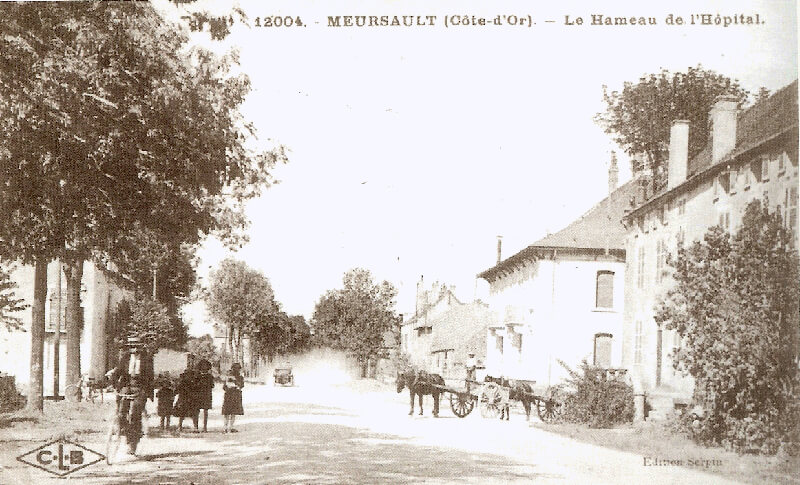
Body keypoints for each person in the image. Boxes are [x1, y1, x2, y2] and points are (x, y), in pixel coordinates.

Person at [106, 336, 154, 455]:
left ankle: (133, 442)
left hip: (139, 387)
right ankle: (122, 429)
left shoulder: (147, 359)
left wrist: (147, 392)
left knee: (134, 414)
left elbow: (150, 376)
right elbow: (119, 370)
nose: (134, 349)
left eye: (136, 347)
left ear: (140, 347)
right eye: (132, 346)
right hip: (126, 385)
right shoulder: (125, 357)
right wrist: (112, 376)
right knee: (121, 411)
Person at [173, 367, 199, 432]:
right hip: (183, 400)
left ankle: (195, 427)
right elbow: (176, 391)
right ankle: (180, 426)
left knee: (194, 414)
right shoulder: (182, 383)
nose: (189, 376)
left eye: (190, 375)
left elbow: (197, 391)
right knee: (182, 414)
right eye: (187, 375)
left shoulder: (194, 382)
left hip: (191, 400)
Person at [221, 363, 244, 433]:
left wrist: (235, 382)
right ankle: (226, 427)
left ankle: (230, 426)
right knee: (227, 412)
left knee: (232, 412)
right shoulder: (228, 377)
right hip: (230, 394)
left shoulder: (240, 377)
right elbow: (224, 387)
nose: (236, 370)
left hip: (234, 395)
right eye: (235, 368)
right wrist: (229, 386)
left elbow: (242, 385)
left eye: (238, 368)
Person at [195, 359, 214, 432]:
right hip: (198, 394)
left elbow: (212, 385)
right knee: (196, 411)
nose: (204, 367)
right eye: (202, 365)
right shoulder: (197, 376)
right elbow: (194, 385)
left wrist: (206, 385)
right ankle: (196, 427)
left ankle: (204, 427)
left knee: (206, 411)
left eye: (205, 366)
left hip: (206, 394)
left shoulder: (210, 376)